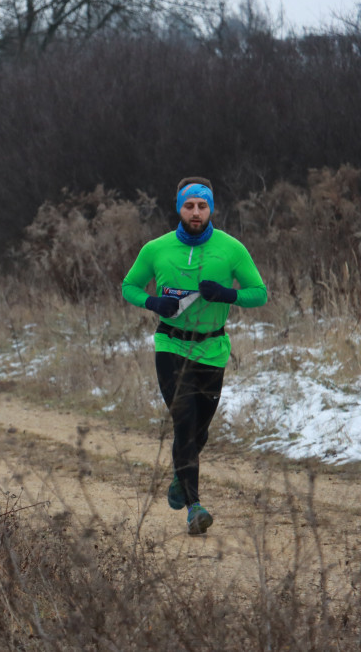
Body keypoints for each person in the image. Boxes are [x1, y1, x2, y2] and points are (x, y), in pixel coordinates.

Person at [122, 177, 267, 535]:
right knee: (184, 424)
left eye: (203, 206)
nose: (196, 212)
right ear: (179, 208)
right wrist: (153, 301)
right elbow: (129, 286)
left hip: (213, 349)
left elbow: (259, 293)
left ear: (211, 208)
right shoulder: (156, 249)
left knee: (199, 431)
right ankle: (194, 507)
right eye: (190, 206)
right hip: (171, 346)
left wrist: (227, 295)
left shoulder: (231, 249)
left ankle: (179, 476)